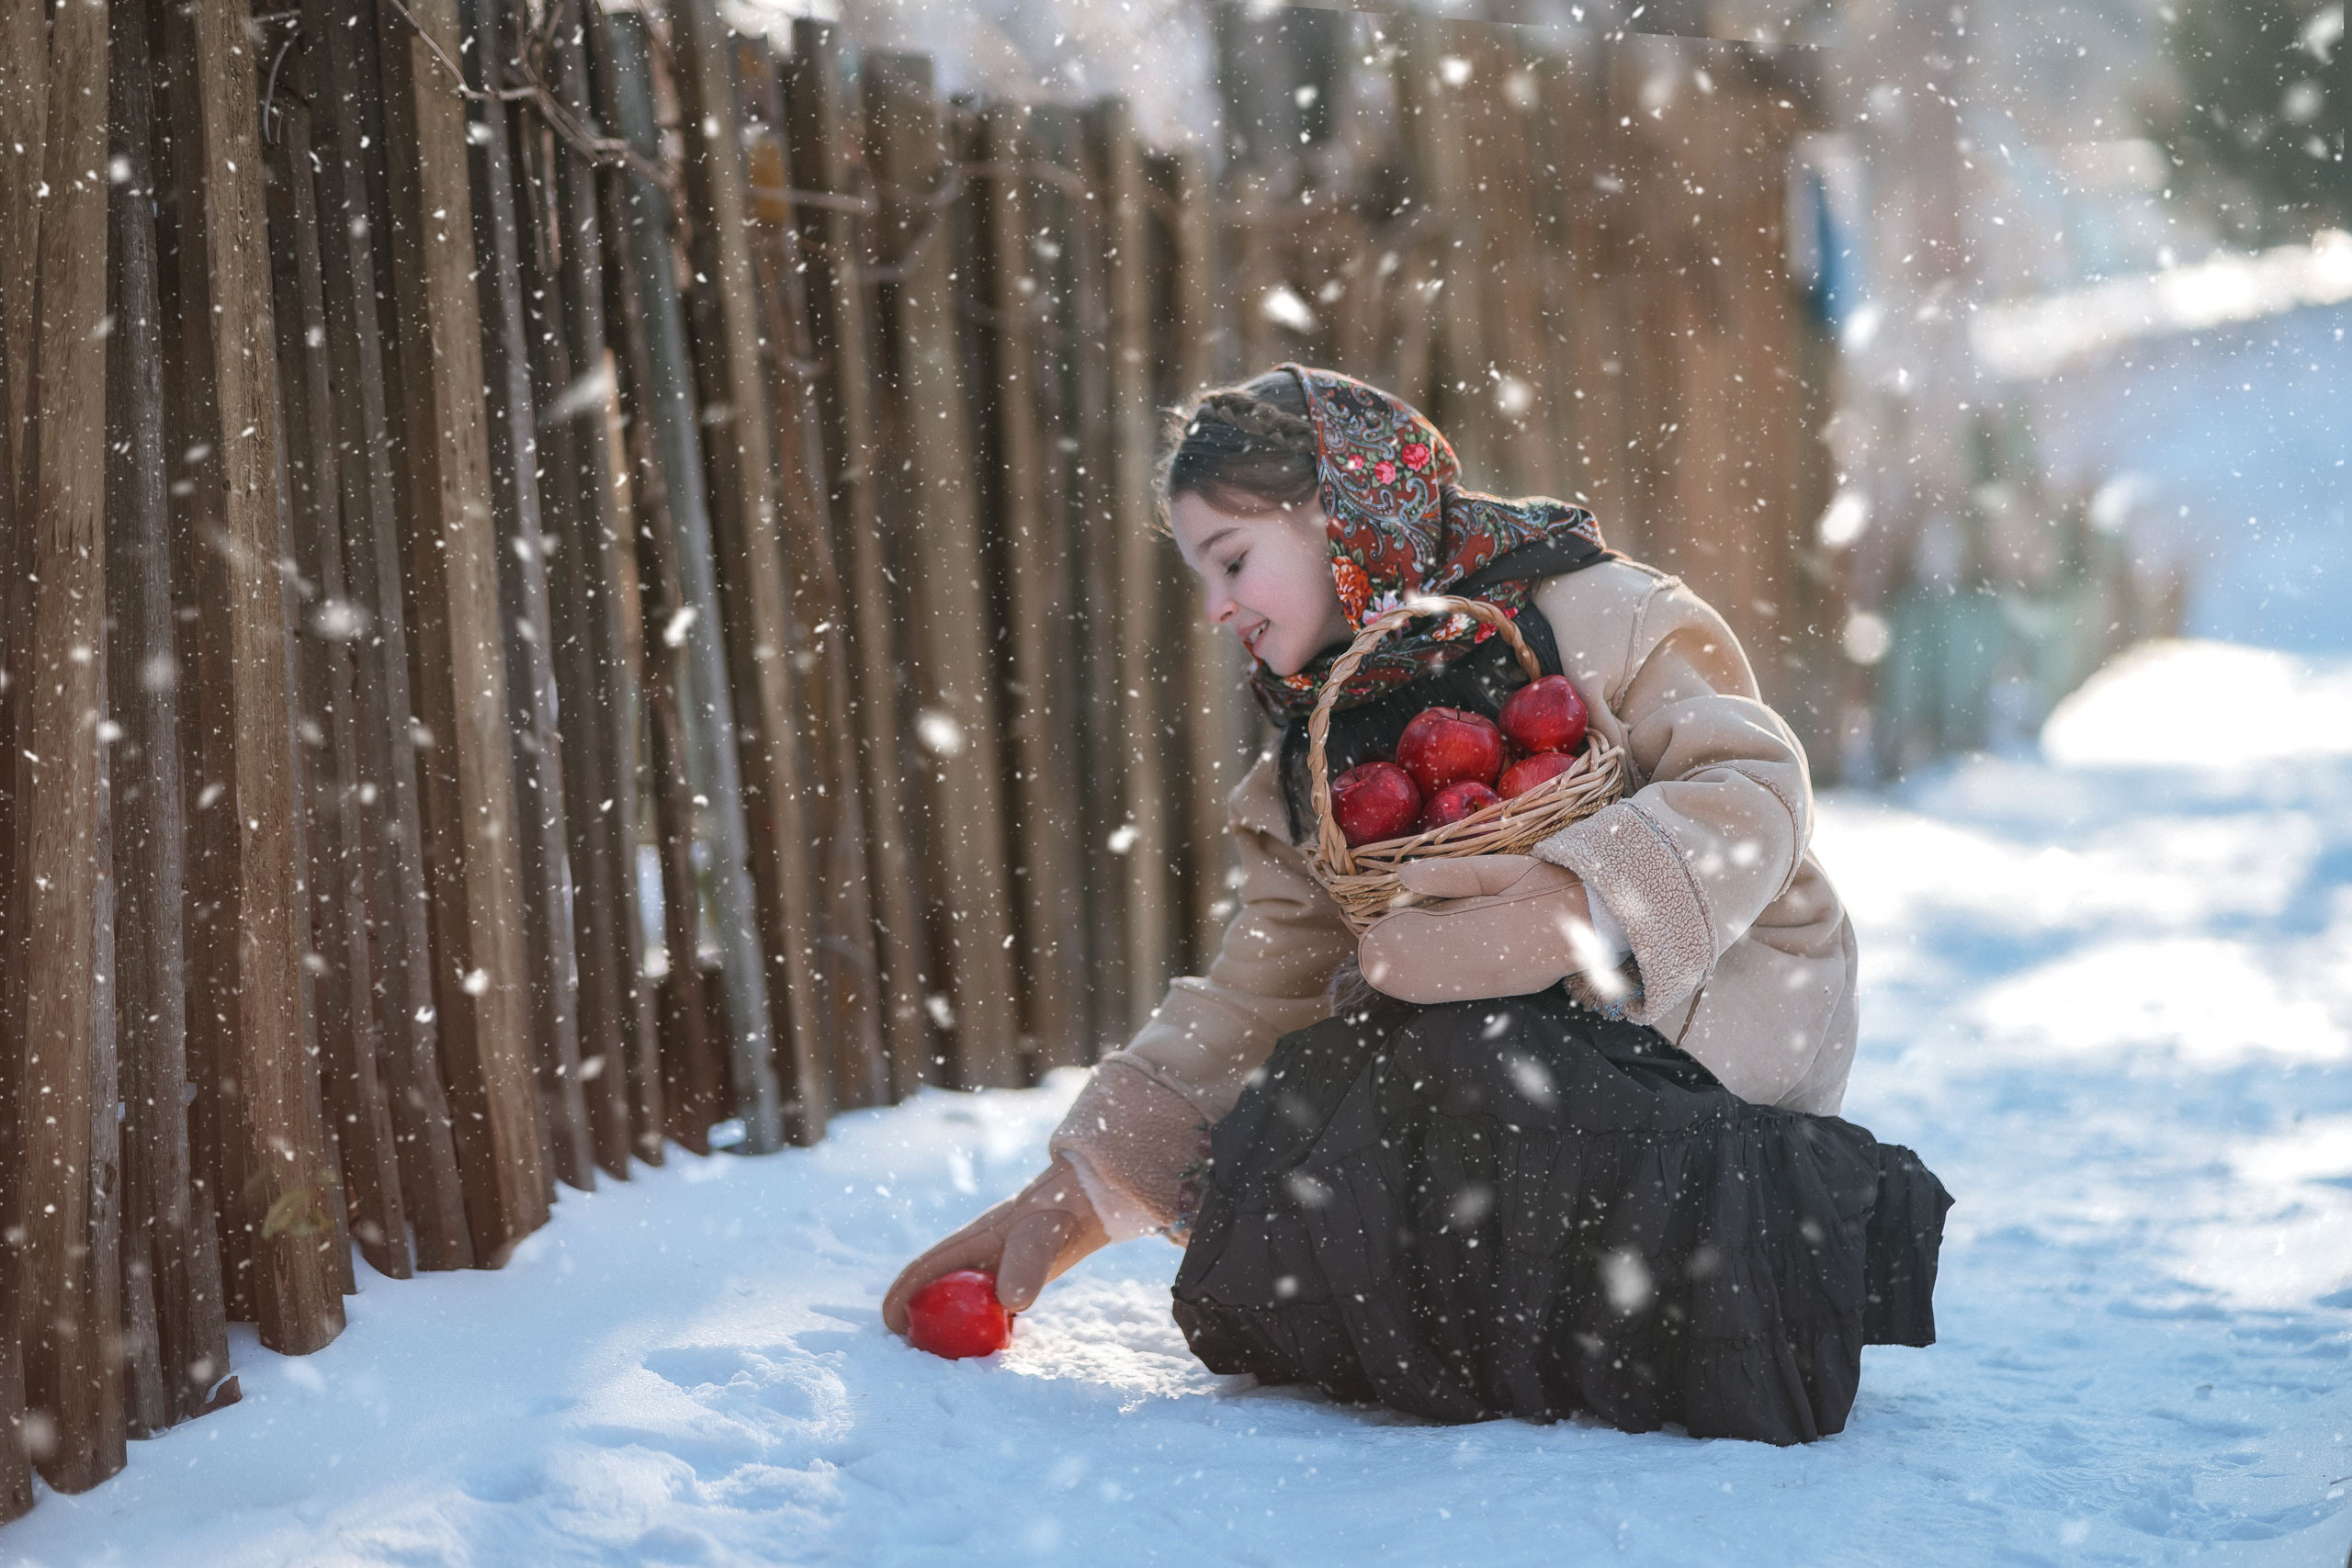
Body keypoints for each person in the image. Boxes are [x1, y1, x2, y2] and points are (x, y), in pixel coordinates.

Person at [883, 365, 1951, 1444]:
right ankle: (1564, 1315)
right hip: (1507, 1069)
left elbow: (1751, 787)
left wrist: (1570, 906)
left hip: (1711, 1030)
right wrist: (1078, 1193)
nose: (1216, 607)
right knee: (1308, 1132)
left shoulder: (1590, 611)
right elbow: (1269, 978)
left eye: (1233, 561)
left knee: (1444, 1067)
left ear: (1345, 518)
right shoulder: (1312, 757)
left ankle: (1755, 1238)